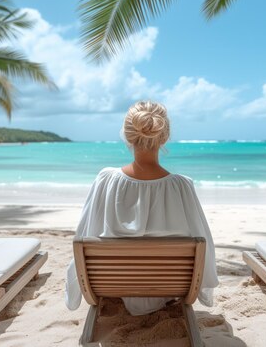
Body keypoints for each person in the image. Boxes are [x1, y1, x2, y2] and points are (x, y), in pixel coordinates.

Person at [65, 101, 219, 316]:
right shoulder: (181, 186)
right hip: (169, 286)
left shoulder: (106, 180)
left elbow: (86, 231)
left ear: (128, 136)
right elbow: (205, 245)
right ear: (164, 137)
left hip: (112, 284)